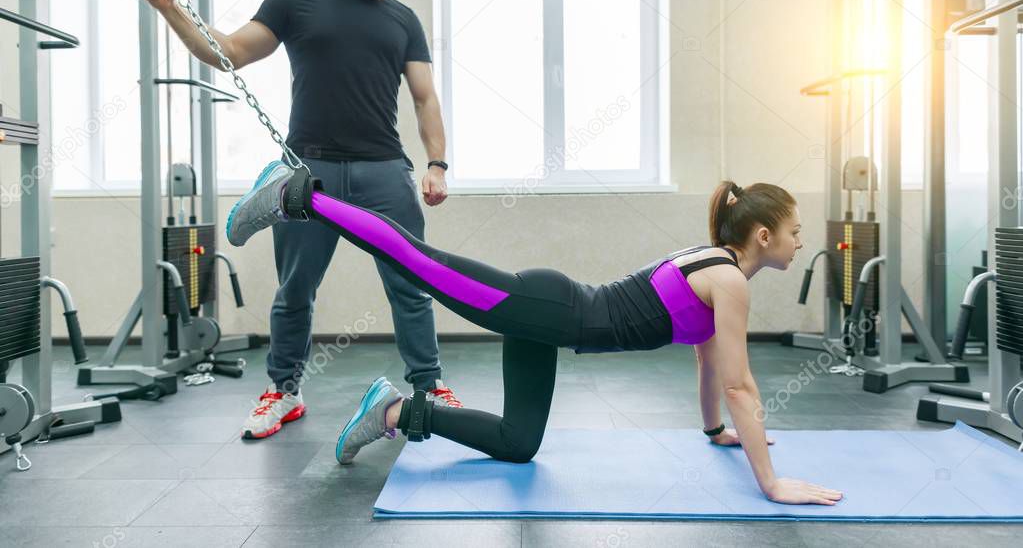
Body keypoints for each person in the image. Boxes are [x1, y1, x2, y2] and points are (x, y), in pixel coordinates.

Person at [226, 159, 845, 506]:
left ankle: (392, 411)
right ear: (763, 236)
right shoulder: (730, 280)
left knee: (518, 442)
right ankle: (297, 195)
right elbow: (742, 385)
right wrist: (772, 483)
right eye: (795, 231)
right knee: (415, 258)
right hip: (544, 307)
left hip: (550, 320)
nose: (800, 241)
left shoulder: (717, 268)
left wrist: (713, 431)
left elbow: (712, 365)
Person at [139, 0, 463, 440]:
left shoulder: (402, 19)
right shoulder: (296, 0)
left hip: (384, 170)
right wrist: (172, 8)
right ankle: (284, 391)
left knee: (411, 284)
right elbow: (231, 52)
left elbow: (425, 98)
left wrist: (437, 163)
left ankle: (428, 386)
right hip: (307, 171)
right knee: (295, 289)